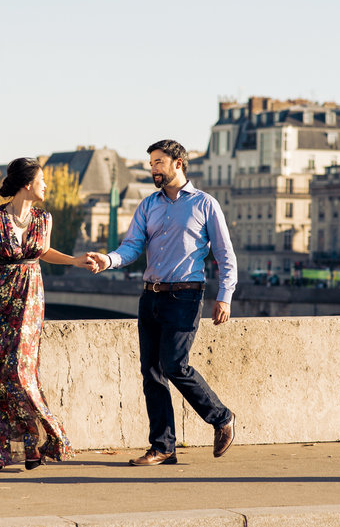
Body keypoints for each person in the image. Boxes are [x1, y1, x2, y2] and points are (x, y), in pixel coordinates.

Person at [88, 139, 237, 466]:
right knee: (151, 371)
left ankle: (221, 417)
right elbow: (131, 248)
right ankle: (163, 446)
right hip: (150, 295)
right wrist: (108, 260)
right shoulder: (148, 205)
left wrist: (224, 297)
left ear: (178, 163)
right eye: (151, 163)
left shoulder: (205, 205)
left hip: (186, 294)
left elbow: (226, 257)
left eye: (158, 162)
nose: (153, 168)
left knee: (174, 364)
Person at [0, 157, 96, 471]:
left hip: (29, 304)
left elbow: (43, 252)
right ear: (28, 184)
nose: (47, 186)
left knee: (20, 372)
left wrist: (74, 260)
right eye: (43, 181)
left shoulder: (44, 219)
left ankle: (37, 440)